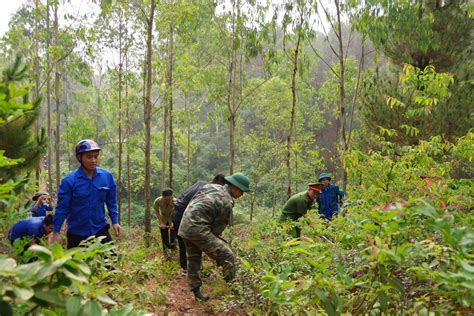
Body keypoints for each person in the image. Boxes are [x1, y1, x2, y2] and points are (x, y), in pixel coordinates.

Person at [178, 172, 250, 301]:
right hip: (198, 229)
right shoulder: (227, 201)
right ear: (235, 187)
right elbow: (217, 229)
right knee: (227, 256)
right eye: (242, 191)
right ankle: (236, 291)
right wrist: (217, 252)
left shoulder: (210, 186)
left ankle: (196, 292)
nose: (243, 194)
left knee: (193, 258)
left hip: (184, 226)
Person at [49, 139, 121, 249]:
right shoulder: (69, 181)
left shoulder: (106, 177)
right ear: (79, 157)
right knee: (77, 266)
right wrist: (56, 231)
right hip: (76, 233)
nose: (93, 160)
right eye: (89, 157)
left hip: (100, 229)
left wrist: (115, 222)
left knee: (111, 263)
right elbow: (62, 208)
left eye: (96, 156)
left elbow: (111, 202)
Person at [172, 174, 227, 274]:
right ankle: (186, 270)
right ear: (219, 184)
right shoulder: (207, 189)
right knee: (185, 242)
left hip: (179, 213)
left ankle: (192, 270)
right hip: (181, 214)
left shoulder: (202, 184)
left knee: (191, 243)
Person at [154, 187, 177, 251]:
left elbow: (176, 212)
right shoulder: (157, 201)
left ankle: (173, 251)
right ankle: (166, 252)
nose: (167, 201)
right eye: (166, 199)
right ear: (162, 197)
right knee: (164, 238)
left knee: (173, 238)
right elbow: (157, 211)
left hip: (173, 217)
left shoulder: (175, 201)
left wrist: (173, 222)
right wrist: (161, 222)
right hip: (163, 218)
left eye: (169, 199)